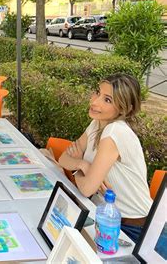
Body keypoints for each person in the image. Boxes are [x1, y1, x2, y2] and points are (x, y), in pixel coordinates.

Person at [59, 73, 153, 242]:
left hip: (133, 228)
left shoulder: (115, 131)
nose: (95, 101)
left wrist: (78, 171)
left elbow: (87, 188)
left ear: (125, 109)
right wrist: (83, 165)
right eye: (97, 92)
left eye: (107, 100)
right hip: (105, 218)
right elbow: (63, 159)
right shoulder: (96, 124)